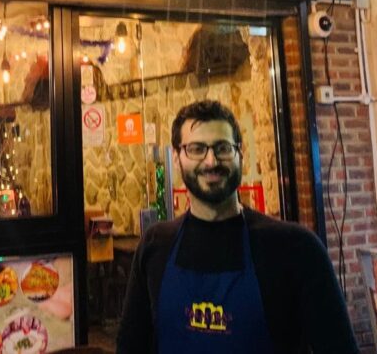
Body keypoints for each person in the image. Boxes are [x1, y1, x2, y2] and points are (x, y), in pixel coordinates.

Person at [117, 100, 358, 353]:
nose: (211, 161)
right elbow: (130, 346)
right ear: (176, 158)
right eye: (196, 149)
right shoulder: (156, 246)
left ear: (240, 153)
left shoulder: (295, 248)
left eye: (222, 148)